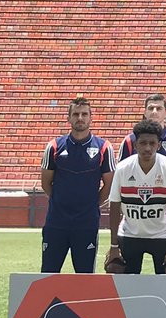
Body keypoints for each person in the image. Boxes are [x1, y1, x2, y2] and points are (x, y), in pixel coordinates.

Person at [39, 97, 114, 273]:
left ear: (91, 118)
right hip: (56, 222)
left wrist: (92, 204)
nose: (80, 118)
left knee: (85, 277)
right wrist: (60, 201)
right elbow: (45, 183)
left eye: (84, 114)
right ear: (69, 118)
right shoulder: (54, 146)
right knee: (48, 274)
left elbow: (109, 184)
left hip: (86, 224)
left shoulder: (104, 147)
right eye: (76, 114)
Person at [107, 120, 166, 274]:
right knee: (115, 268)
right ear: (135, 145)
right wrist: (114, 246)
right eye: (143, 143)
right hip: (130, 234)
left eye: (152, 143)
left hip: (162, 234)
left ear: (159, 145)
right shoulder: (123, 168)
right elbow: (114, 205)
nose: (147, 148)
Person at [118, 94, 166, 167]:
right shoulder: (129, 141)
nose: (154, 112)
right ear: (145, 112)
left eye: (159, 108)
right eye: (151, 108)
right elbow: (121, 169)